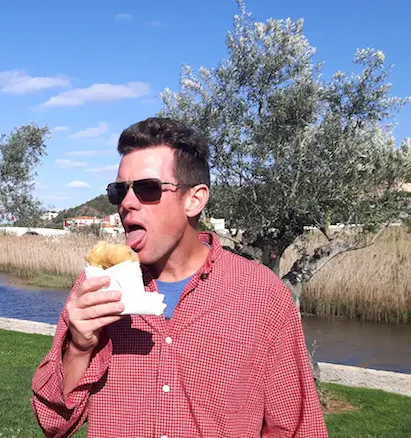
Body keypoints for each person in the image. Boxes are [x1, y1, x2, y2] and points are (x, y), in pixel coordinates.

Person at [31, 117, 327, 437]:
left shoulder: (263, 294)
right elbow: (54, 423)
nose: (127, 204)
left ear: (194, 199)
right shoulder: (96, 288)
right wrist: (79, 347)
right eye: (119, 191)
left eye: (147, 189)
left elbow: (295, 427)